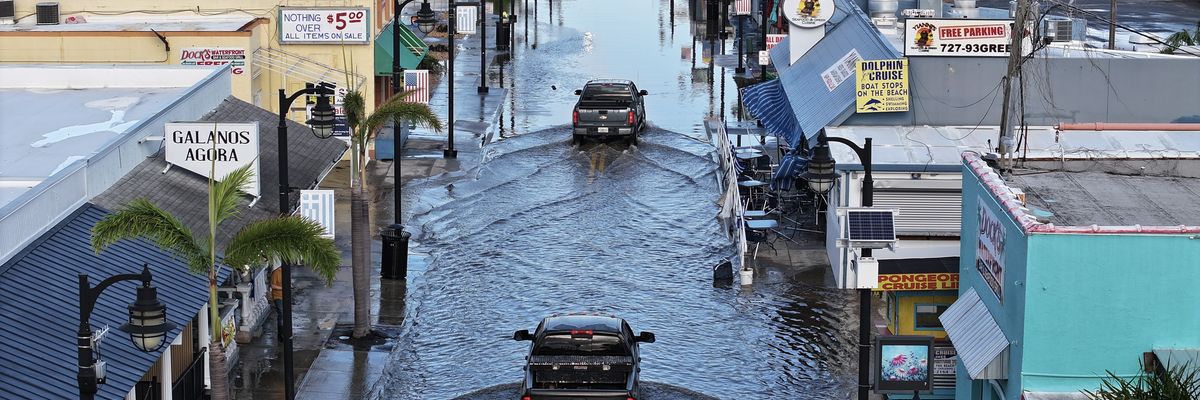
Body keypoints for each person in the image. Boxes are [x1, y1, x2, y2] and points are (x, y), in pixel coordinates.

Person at [270, 265, 284, 332]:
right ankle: (280, 331)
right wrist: (282, 288)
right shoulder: (276, 272)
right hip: (277, 296)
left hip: (284, 296)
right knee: (281, 313)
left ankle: (283, 330)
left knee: (284, 314)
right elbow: (272, 285)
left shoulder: (286, 272)